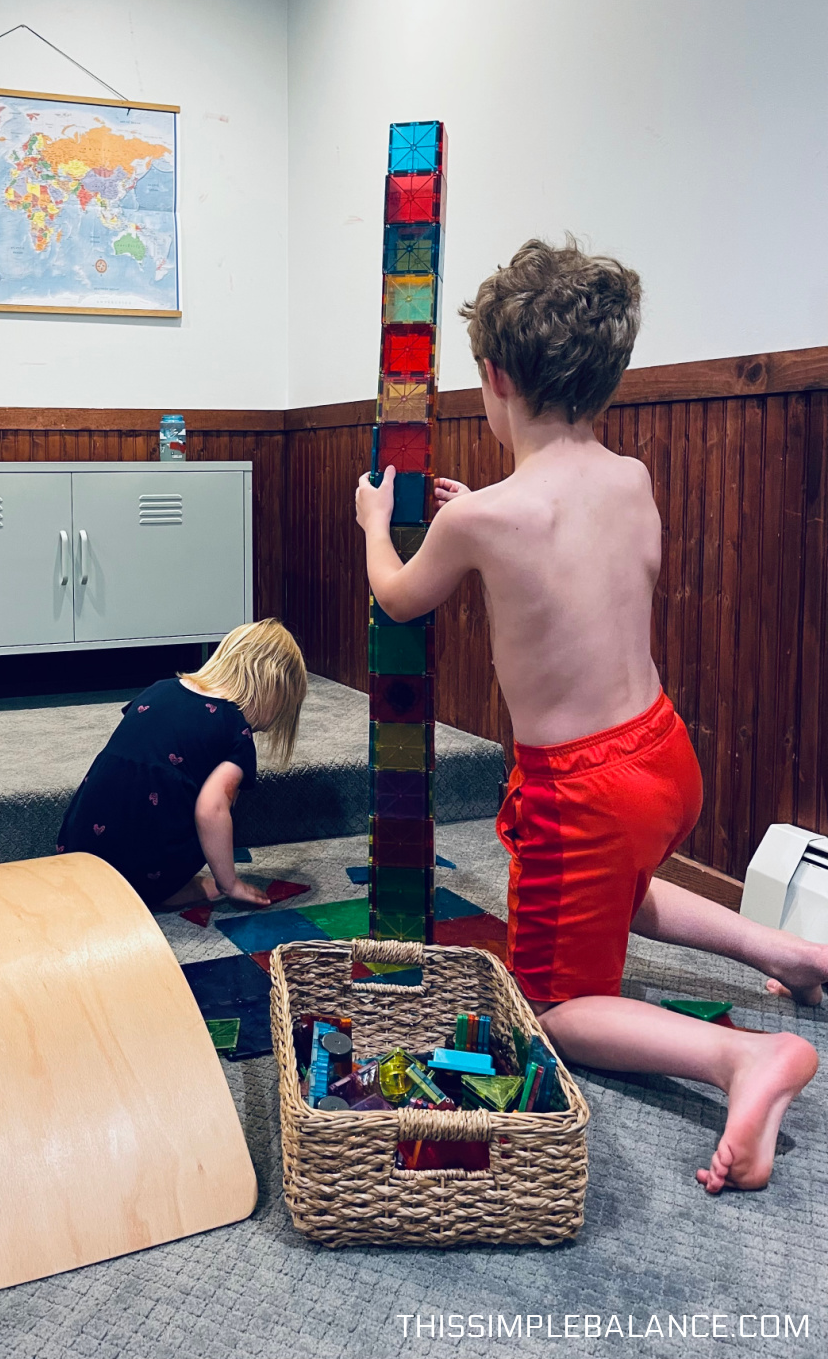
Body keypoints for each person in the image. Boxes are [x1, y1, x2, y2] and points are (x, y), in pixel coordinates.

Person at [356, 236, 823, 1194]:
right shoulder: (632, 480)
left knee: (556, 1002)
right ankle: (791, 952)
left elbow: (401, 596)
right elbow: (567, 538)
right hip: (663, 752)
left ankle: (741, 1061)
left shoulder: (478, 519)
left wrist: (375, 524)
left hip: (583, 786)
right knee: (620, 883)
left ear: (493, 376)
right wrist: (478, 509)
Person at [57, 619, 307, 910]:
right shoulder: (234, 731)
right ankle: (159, 890)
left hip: (78, 846)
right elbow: (210, 810)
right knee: (221, 800)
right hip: (138, 869)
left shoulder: (160, 689)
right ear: (272, 689)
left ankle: (145, 882)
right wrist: (230, 884)